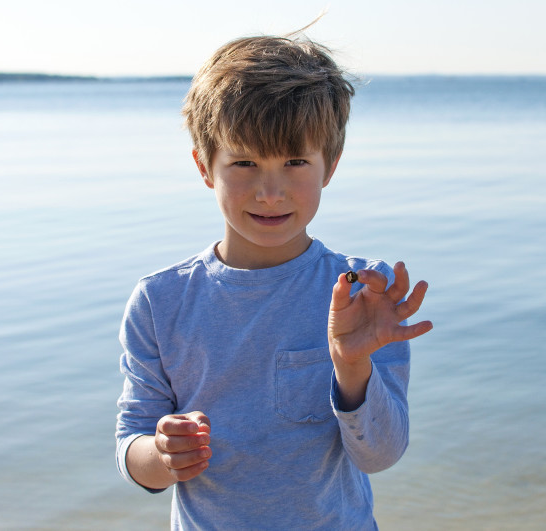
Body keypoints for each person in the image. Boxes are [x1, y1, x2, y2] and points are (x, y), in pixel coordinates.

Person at [115, 32, 433, 530]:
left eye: (295, 163)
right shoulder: (161, 301)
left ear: (330, 165)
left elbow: (381, 455)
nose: (270, 192)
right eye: (244, 163)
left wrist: (352, 366)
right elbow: (134, 447)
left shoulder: (363, 293)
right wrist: (162, 452)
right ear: (205, 166)